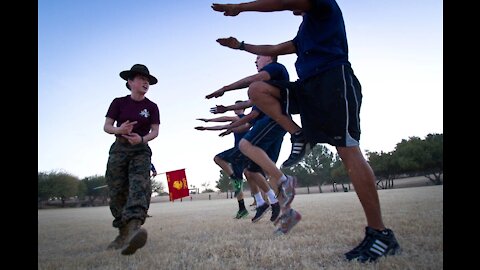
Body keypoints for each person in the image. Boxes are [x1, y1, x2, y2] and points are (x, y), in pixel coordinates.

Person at [211, 0, 400, 262]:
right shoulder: (304, 32)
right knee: (256, 108)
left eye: (258, 59)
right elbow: (273, 49)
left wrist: (241, 8)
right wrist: (241, 46)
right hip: (307, 87)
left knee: (348, 152)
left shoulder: (323, 8)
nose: (257, 61)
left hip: (333, 82)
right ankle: (296, 143)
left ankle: (380, 233)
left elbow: (281, 16)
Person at [206, 55, 299, 232]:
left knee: (244, 147)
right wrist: (226, 109)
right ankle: (286, 214)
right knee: (254, 170)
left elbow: (251, 113)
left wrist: (226, 88)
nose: (255, 61)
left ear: (269, 58)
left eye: (258, 58)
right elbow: (250, 105)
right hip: (273, 126)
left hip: (274, 121)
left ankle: (285, 182)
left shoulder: (275, 68)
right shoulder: (265, 91)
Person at [103, 64, 160, 255]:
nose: (145, 82)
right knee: (116, 189)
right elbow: (107, 126)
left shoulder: (151, 107)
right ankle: (123, 233)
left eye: (148, 80)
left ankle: (135, 229)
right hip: (119, 149)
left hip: (141, 150)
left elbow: (155, 131)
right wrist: (119, 130)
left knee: (138, 185)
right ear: (130, 82)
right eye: (141, 79)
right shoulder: (118, 103)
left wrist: (142, 139)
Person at [195, 102, 251, 219]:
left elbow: (224, 118)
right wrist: (209, 128)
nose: (235, 109)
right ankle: (242, 209)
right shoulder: (237, 122)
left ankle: (234, 177)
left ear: (243, 109)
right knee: (239, 182)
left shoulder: (240, 118)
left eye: (238, 107)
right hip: (241, 154)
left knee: (218, 158)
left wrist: (208, 121)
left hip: (240, 150)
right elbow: (223, 127)